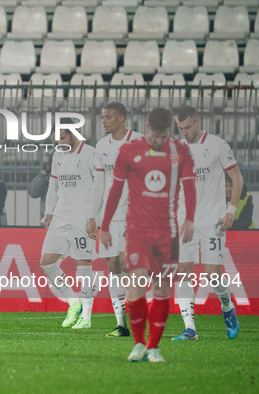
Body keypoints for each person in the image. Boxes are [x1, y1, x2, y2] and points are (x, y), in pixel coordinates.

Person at [100, 107, 197, 362]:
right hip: (137, 230)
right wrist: (106, 224)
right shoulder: (130, 151)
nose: (156, 139)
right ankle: (138, 344)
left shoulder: (181, 152)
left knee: (162, 288)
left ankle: (153, 347)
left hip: (167, 231)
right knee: (137, 285)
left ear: (168, 130)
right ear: (146, 127)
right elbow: (115, 190)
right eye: (153, 134)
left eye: (161, 134)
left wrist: (189, 219)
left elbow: (190, 187)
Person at [172, 106, 243, 341]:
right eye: (180, 128)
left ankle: (227, 306)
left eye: (188, 127)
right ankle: (189, 329)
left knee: (213, 276)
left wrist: (231, 210)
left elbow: (237, 178)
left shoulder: (217, 145)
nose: (184, 132)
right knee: (183, 273)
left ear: (197, 122)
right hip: (186, 223)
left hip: (213, 220)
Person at [87, 102, 143, 338]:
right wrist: (92, 215)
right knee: (112, 266)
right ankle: (121, 324)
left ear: (121, 117)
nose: (104, 121)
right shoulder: (101, 146)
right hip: (110, 217)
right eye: (102, 117)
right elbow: (99, 183)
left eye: (108, 117)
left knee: (128, 264)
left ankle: (139, 311)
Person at [40, 126, 97, 329]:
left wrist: (94, 216)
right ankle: (74, 302)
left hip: (82, 219)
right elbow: (53, 186)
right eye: (57, 140)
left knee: (83, 268)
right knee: (46, 263)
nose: (59, 143)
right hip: (60, 218)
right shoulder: (58, 155)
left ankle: (87, 318)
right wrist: (48, 213)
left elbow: (101, 185)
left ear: (74, 135)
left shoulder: (90, 153)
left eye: (63, 138)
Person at [28, 154, 52, 219]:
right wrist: (45, 174)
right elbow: (33, 193)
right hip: (47, 218)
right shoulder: (44, 176)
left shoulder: (66, 176)